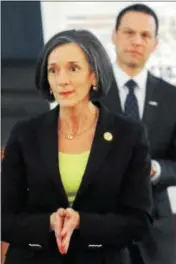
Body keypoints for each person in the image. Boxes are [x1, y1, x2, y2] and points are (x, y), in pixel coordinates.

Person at [1, 29, 152, 264]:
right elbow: (4, 219)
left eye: (73, 68)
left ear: (94, 76)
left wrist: (82, 222)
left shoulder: (129, 135)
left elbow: (139, 222)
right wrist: (49, 223)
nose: (62, 80)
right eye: (53, 70)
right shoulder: (24, 134)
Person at [103, 3, 176, 264]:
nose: (136, 41)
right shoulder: (87, 94)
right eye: (129, 32)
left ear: (155, 44)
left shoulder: (175, 98)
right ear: (114, 35)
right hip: (100, 229)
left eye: (145, 35)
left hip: (156, 234)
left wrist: (157, 170)